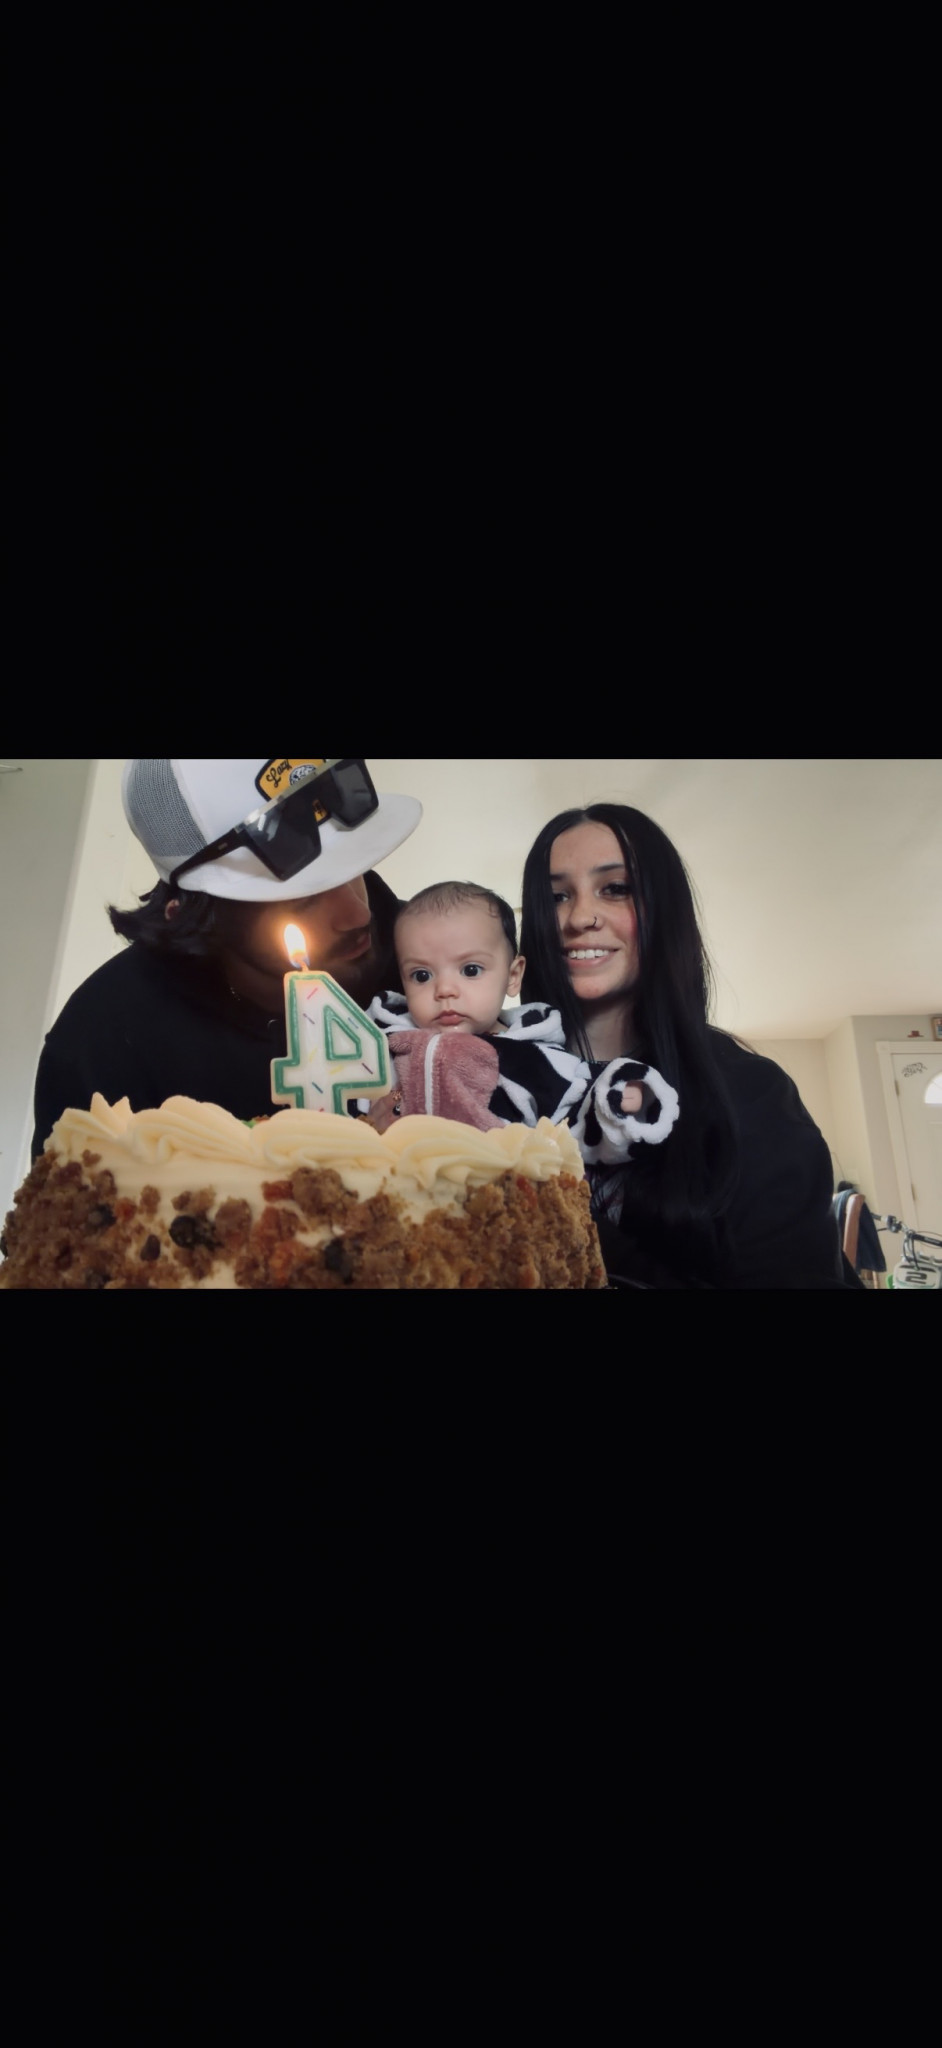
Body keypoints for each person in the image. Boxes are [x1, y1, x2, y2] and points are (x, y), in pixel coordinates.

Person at [519, 804, 863, 1289]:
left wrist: (568, 1228)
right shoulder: (492, 1078)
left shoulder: (752, 1091)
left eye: (615, 889)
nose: (579, 917)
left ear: (664, 910)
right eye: (556, 896)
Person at [29, 757, 423, 1158]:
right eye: (303, 899)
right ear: (199, 919)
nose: (359, 914)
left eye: (352, 868)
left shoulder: (434, 959)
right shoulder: (104, 1041)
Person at [362, 881, 681, 1160]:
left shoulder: (533, 1057)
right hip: (400, 1195)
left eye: (470, 970)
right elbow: (347, 1101)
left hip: (501, 1197)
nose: (444, 990)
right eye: (421, 975)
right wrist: (365, 1126)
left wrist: (617, 1102)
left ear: (513, 976)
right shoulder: (384, 1044)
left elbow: (576, 1117)